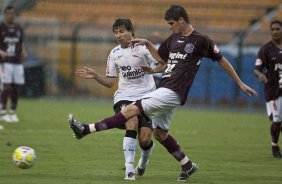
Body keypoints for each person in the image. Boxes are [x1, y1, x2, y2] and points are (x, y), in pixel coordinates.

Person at [69, 5, 258, 181]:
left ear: (181, 20)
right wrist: (149, 47)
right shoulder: (173, 39)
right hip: (165, 88)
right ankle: (187, 165)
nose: (170, 28)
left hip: (173, 91)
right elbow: (161, 60)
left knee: (130, 112)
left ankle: (85, 129)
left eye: (171, 24)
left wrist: (240, 83)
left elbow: (221, 60)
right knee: (159, 134)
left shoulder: (201, 40)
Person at [70, 18, 156, 180]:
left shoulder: (143, 49)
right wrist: (96, 76)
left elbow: (161, 64)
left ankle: (142, 164)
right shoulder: (114, 53)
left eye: (122, 31)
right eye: (116, 32)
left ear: (131, 31)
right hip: (124, 96)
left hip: (147, 97)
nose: (119, 35)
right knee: (132, 122)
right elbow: (110, 82)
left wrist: (152, 69)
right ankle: (129, 170)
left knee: (145, 139)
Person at [254, 20, 282, 158]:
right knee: (276, 121)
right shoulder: (266, 49)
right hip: (273, 91)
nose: (275, 31)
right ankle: (275, 146)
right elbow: (256, 69)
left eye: (278, 29)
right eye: (273, 29)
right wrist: (261, 76)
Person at [0, 5, 27, 123]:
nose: (11, 15)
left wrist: (24, 51)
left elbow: (20, 43)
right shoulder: (1, 27)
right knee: (6, 85)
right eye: (9, 13)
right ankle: (3, 111)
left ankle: (13, 112)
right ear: (5, 14)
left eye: (13, 13)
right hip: (5, 62)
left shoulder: (19, 28)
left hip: (17, 61)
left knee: (16, 86)